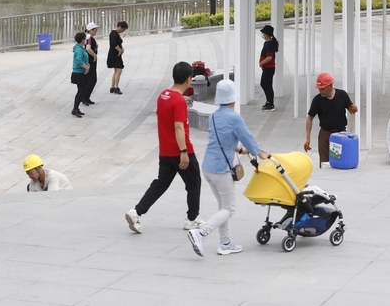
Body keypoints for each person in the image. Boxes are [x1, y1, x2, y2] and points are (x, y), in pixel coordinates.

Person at [187, 79, 270, 257]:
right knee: (230, 208)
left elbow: (222, 139)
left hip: (208, 167)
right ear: (233, 98)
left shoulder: (214, 116)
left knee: (222, 206)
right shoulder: (234, 118)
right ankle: (201, 233)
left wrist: (238, 149)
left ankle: (225, 243)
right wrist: (258, 152)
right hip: (221, 169)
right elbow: (246, 136)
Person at [125, 61, 204, 234]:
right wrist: (183, 151)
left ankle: (136, 212)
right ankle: (192, 219)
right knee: (194, 183)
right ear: (188, 79)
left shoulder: (163, 95)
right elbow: (178, 127)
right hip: (180, 151)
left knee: (161, 183)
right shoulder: (179, 101)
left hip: (165, 151)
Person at [304, 72, 358, 167]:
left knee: (341, 160)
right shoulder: (317, 100)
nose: (320, 90)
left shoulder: (342, 95)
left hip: (341, 133)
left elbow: (350, 108)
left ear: (330, 86)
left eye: (322, 88)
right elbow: (310, 118)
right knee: (325, 163)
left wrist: (353, 109)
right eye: (319, 88)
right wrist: (308, 138)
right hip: (325, 134)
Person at [258, 24, 279, 111]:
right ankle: (268, 101)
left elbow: (269, 57)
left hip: (269, 68)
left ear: (266, 34)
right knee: (263, 84)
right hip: (266, 68)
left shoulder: (269, 44)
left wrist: (261, 63)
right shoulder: (267, 43)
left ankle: (271, 103)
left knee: (268, 86)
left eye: (263, 33)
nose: (262, 34)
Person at [71, 31, 89, 118]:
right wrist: (87, 67)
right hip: (79, 73)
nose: (86, 40)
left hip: (81, 72)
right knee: (82, 91)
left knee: (81, 91)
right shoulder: (79, 49)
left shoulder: (81, 48)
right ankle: (75, 109)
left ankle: (76, 108)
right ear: (82, 40)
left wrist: (87, 65)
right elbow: (79, 60)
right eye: (85, 39)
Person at [107, 21, 128, 94]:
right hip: (114, 54)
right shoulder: (114, 33)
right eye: (123, 29)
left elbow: (118, 43)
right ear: (119, 27)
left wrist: (122, 48)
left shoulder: (116, 34)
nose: (123, 31)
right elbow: (113, 43)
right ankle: (116, 87)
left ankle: (112, 87)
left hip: (116, 54)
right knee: (119, 70)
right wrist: (119, 50)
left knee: (116, 70)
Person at [83, 22, 99, 106]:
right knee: (92, 80)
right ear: (91, 30)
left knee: (90, 79)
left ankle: (86, 97)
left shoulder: (88, 37)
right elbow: (88, 48)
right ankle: (84, 96)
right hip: (90, 61)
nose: (96, 31)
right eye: (95, 30)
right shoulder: (89, 37)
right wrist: (94, 55)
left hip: (90, 60)